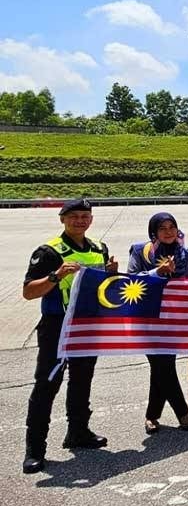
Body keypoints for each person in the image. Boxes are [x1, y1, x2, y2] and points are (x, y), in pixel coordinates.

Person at [21, 199, 114, 474]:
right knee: (47, 385)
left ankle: (78, 432)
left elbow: (103, 288)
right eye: (74, 216)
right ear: (63, 219)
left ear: (91, 220)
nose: (80, 221)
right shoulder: (49, 251)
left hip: (87, 326)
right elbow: (28, 292)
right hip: (56, 327)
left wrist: (109, 273)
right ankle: (35, 449)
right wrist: (55, 276)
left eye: (85, 216)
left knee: (82, 380)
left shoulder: (99, 248)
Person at [128, 212, 188, 433]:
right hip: (148, 318)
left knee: (161, 366)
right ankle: (183, 414)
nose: (169, 232)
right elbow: (131, 279)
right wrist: (156, 272)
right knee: (163, 365)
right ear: (154, 232)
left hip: (173, 318)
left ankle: (152, 416)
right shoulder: (141, 251)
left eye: (172, 227)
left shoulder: (183, 252)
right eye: (163, 228)